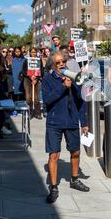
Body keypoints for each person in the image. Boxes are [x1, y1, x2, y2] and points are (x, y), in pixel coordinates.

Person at [42, 52, 90, 204]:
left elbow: (80, 102)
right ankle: (54, 187)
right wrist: (62, 87)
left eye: (63, 61)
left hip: (71, 121)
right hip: (54, 122)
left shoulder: (74, 78)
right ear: (52, 65)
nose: (62, 64)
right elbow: (48, 100)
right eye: (58, 62)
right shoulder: (47, 80)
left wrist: (84, 122)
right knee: (53, 155)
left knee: (75, 151)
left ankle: (75, 179)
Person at [21, 48, 43, 119]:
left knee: (36, 98)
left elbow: (41, 71)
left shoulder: (39, 60)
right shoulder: (26, 60)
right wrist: (30, 77)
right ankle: (30, 113)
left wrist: (36, 79)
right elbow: (23, 71)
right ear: (30, 53)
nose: (33, 54)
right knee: (28, 97)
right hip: (27, 80)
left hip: (37, 80)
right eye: (32, 52)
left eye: (34, 52)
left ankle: (37, 113)